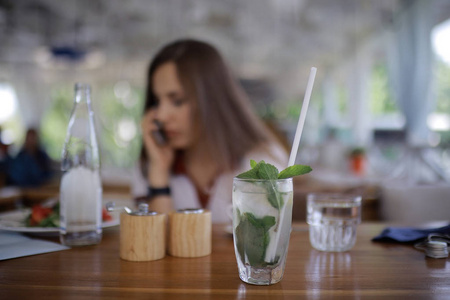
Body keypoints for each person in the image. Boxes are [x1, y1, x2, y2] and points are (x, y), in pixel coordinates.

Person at [132, 39, 288, 223]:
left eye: (177, 101)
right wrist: (159, 175)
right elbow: (153, 246)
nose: (162, 116)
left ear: (212, 101)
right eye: (157, 102)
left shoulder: (262, 162)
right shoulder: (151, 164)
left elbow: (265, 243)